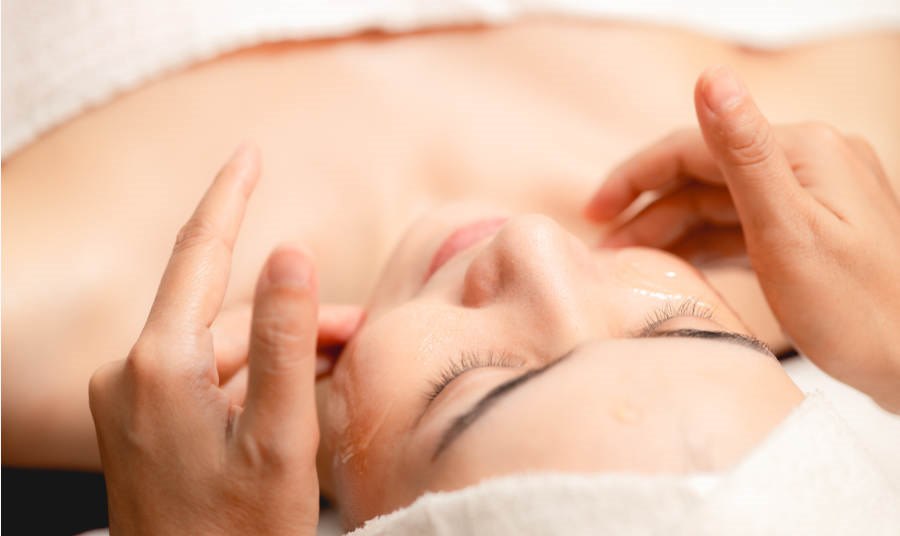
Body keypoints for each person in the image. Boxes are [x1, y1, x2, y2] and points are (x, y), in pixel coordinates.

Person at [88, 67, 900, 533]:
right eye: (676, 326)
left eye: (466, 384)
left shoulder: (57, 315)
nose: (534, 245)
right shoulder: (869, 129)